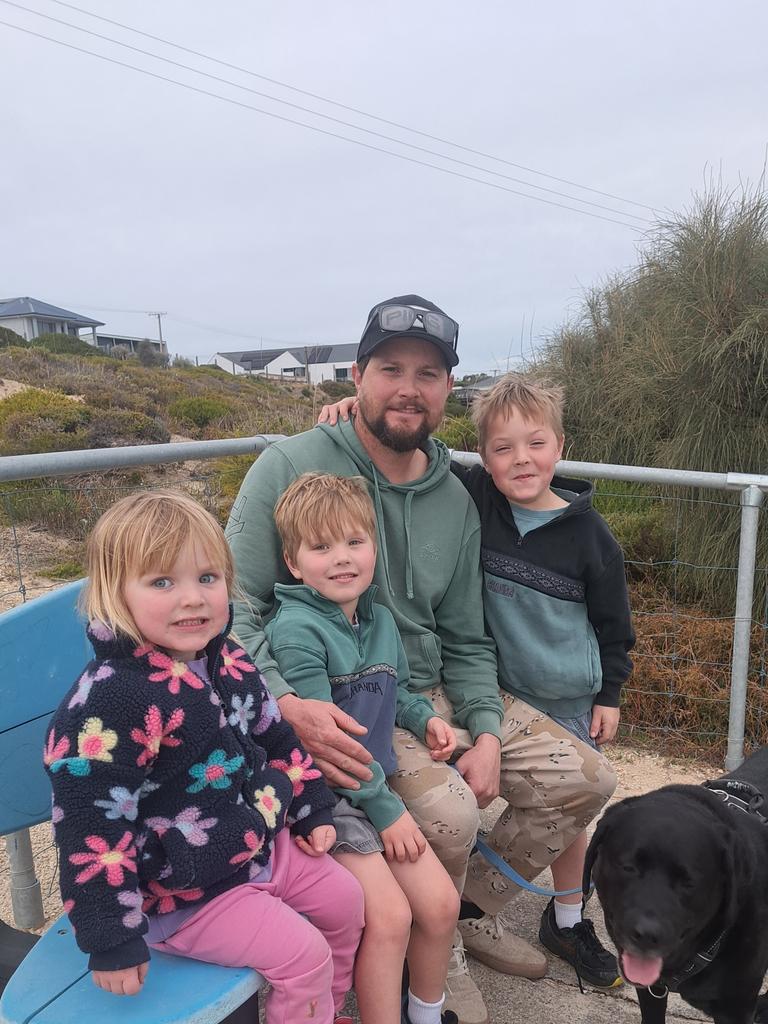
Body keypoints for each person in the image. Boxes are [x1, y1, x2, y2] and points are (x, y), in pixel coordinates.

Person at [226, 294, 616, 1024]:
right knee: (448, 811)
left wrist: (487, 728)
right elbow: (234, 607)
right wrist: (284, 699)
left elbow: (467, 637)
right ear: (357, 375)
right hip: (337, 691)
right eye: (391, 368)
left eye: (429, 373)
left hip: (427, 689)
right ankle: (433, 956)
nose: (409, 388)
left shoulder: (457, 492)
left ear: (447, 392)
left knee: (587, 779)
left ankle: (464, 916)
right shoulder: (292, 465)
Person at [44, 490, 364, 1024]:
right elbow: (88, 825)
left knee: (347, 902)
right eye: (162, 582)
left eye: (207, 578)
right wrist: (110, 937)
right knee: (303, 955)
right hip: (183, 891)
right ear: (113, 594)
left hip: (254, 841)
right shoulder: (110, 702)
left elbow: (275, 735)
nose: (192, 598)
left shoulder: (228, 658)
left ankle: (320, 1011)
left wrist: (310, 803)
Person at [451, 373, 636, 988]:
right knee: (486, 799)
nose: (520, 459)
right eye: (502, 448)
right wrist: (348, 413)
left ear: (559, 445)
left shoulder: (591, 537)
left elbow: (615, 626)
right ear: (483, 458)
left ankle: (566, 918)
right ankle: (461, 907)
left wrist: (609, 693)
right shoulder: (478, 498)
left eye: (535, 443)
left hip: (568, 698)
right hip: (498, 691)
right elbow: (414, 452)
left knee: (569, 818)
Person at [266, 472, 460, 1024]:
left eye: (354, 542)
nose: (342, 558)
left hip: (373, 788)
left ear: (374, 548)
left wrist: (425, 721)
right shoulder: (297, 631)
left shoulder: (377, 618)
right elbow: (330, 750)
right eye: (321, 547)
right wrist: (388, 811)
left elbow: (395, 690)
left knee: (442, 907)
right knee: (392, 918)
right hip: (329, 799)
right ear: (294, 562)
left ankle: (424, 1014)